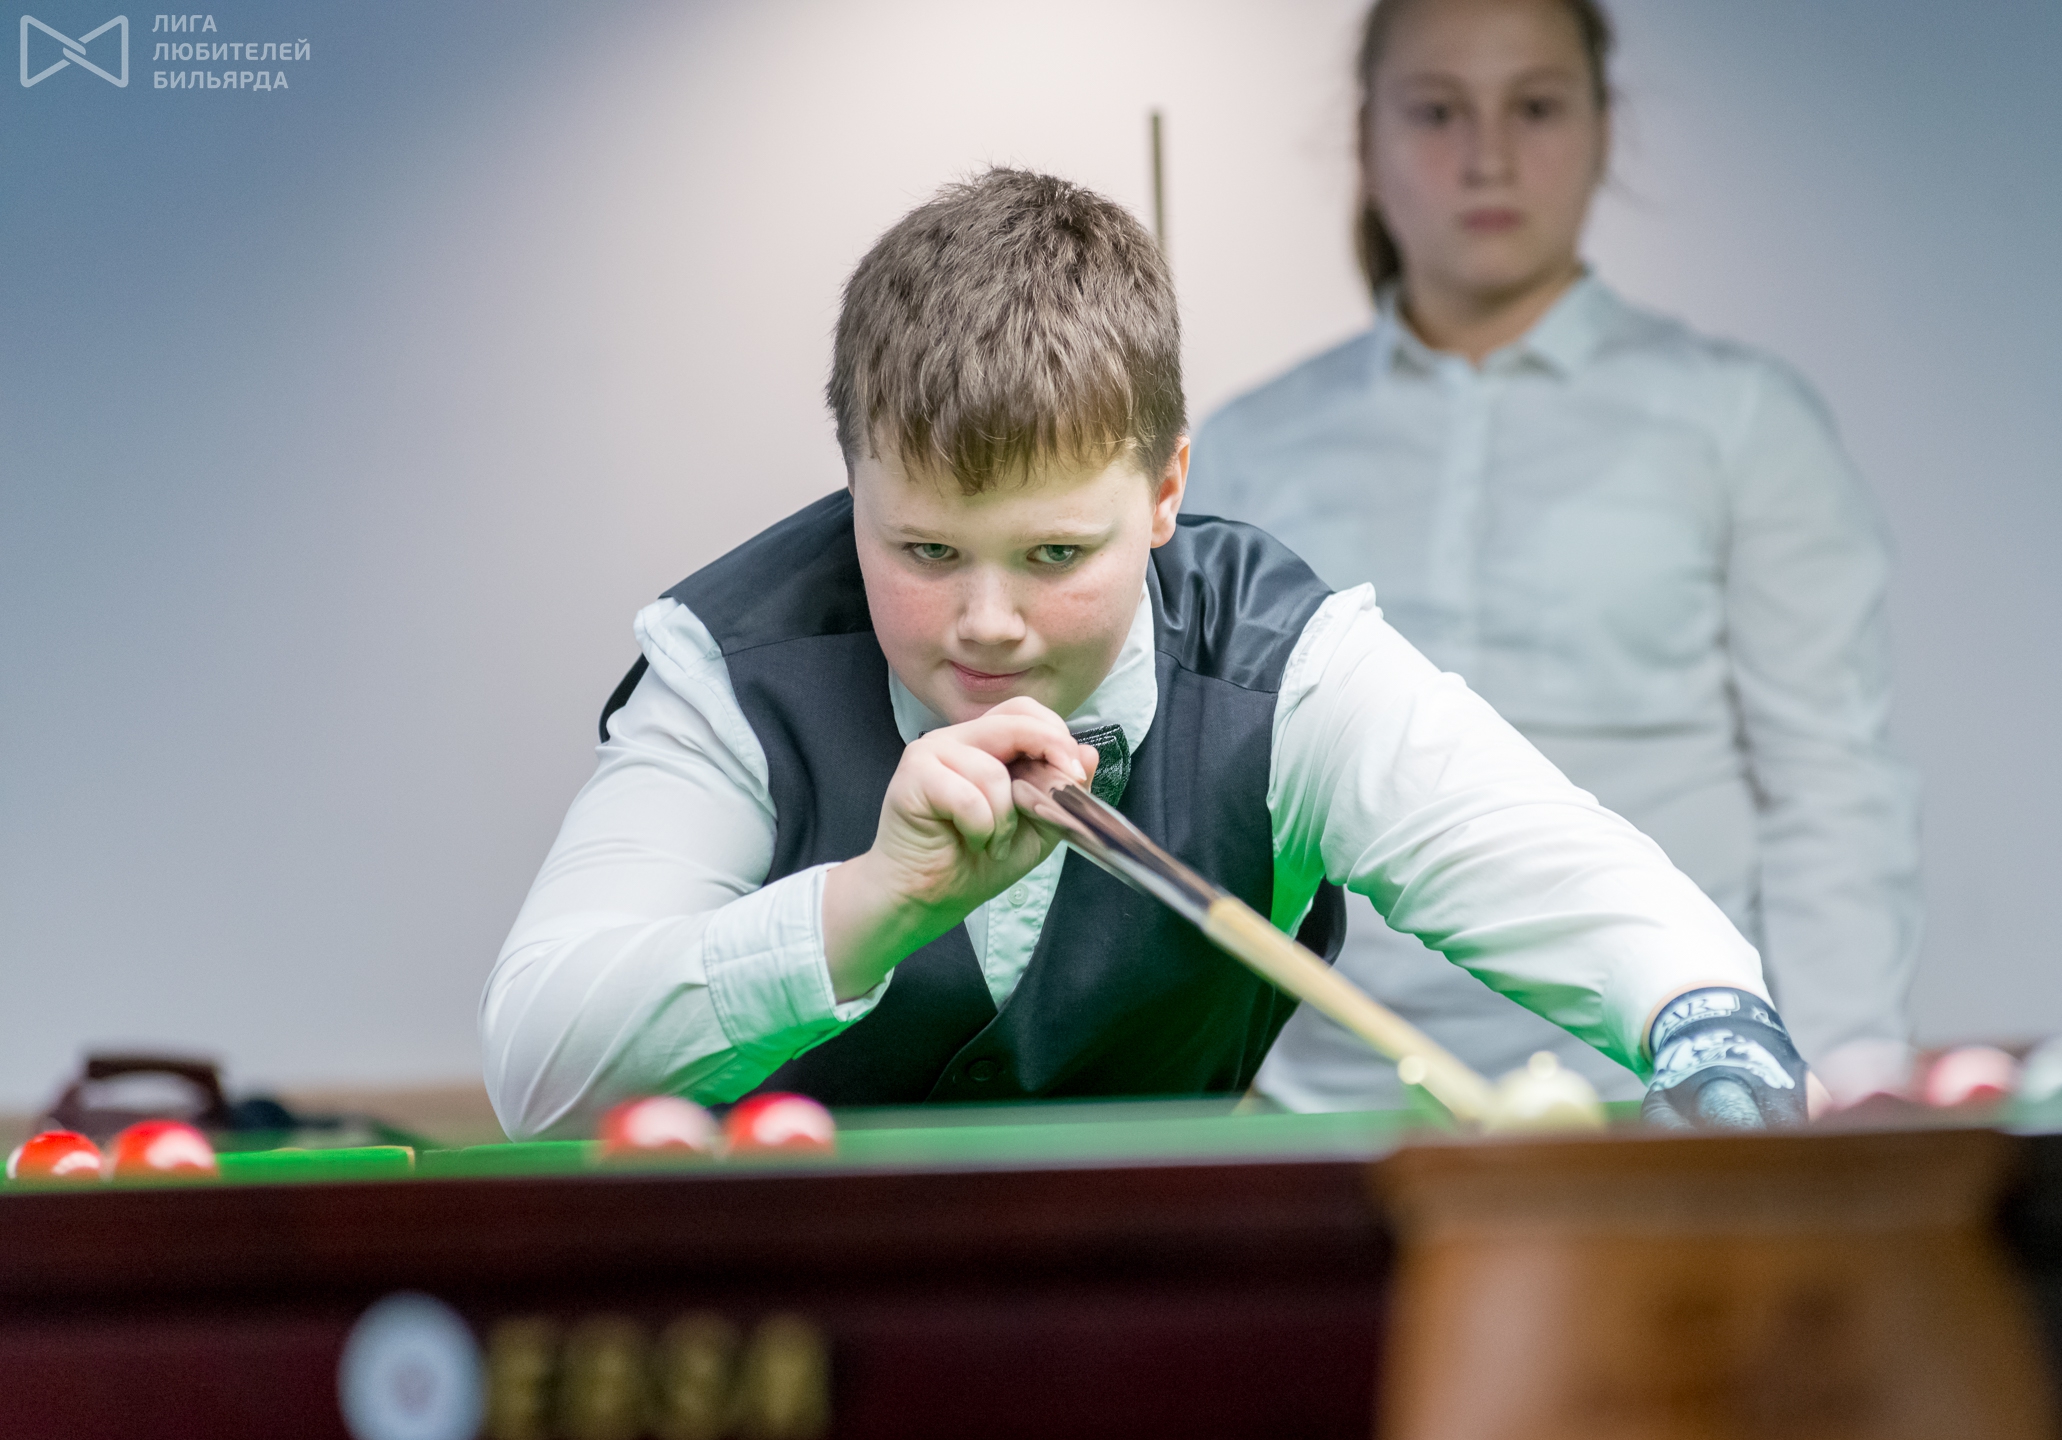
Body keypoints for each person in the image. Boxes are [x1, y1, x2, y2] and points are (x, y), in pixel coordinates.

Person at [481, 168, 1816, 1139]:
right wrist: (875, 903)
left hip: (1156, 1334)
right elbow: (536, 1067)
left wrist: (1716, 1052)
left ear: (1167, 488)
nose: (987, 620)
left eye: (1055, 554)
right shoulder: (729, 668)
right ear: (853, 484)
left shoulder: (1282, 669)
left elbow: (1597, 902)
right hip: (781, 1352)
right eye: (926, 550)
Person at [1185, 0, 1920, 1111]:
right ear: (1366, 138)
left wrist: (1840, 1080)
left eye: (1534, 107)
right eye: (1436, 111)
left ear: (1603, 128)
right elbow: (1190, 794)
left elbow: (1831, 783)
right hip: (1316, 1110)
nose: (1487, 157)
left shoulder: (1741, 422)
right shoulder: (1247, 448)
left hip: (1668, 1105)